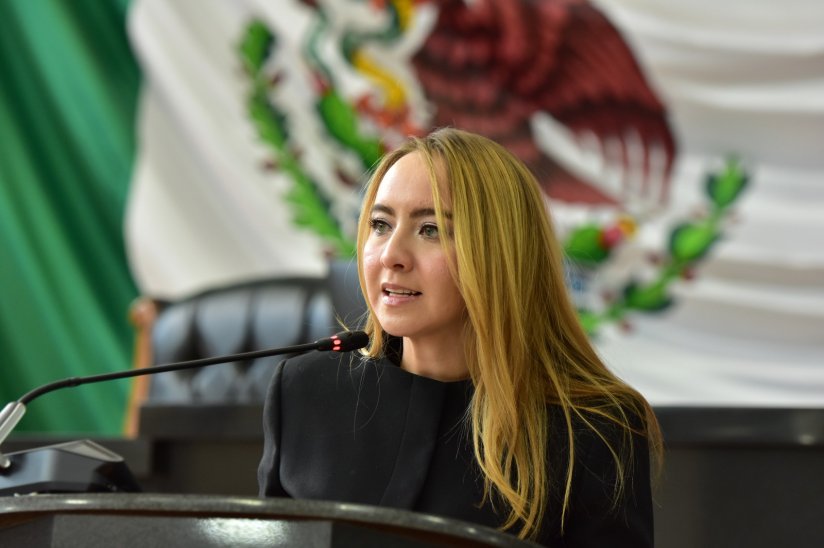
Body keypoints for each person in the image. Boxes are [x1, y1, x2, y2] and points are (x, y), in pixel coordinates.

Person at [258, 127, 662, 546]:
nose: (391, 255)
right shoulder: (303, 390)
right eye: (380, 224)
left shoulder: (595, 426)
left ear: (501, 252)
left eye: (430, 229)